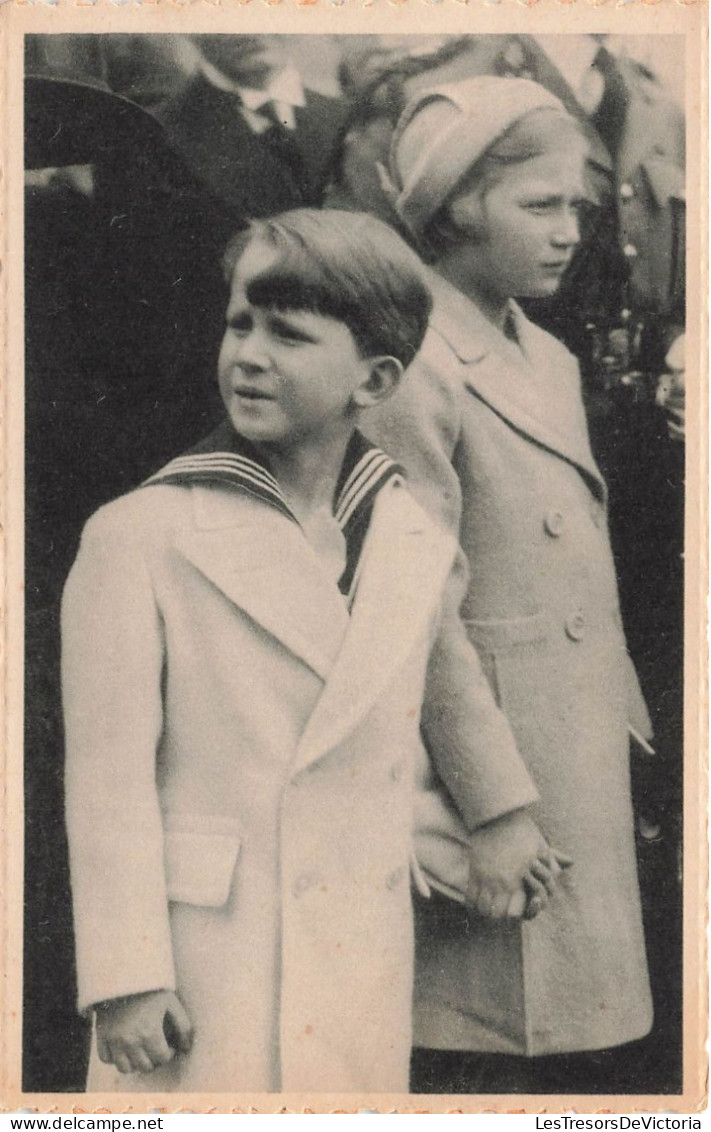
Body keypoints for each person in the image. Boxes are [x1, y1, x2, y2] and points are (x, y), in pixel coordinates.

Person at [61, 208, 563, 1094]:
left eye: (288, 335)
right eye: (238, 324)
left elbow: (383, 748)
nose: (249, 354)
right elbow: (107, 783)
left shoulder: (404, 531)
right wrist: (127, 975)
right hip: (203, 956)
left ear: (374, 381)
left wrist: (479, 831)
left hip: (357, 953)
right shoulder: (143, 533)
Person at [364, 78, 655, 1093]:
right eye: (540, 205)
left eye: (577, 205)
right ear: (452, 210)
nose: (570, 230)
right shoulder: (414, 362)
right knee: (478, 1051)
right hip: (486, 775)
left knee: (567, 1052)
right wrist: (490, 809)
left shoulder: (549, 357)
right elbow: (416, 609)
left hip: (569, 754)